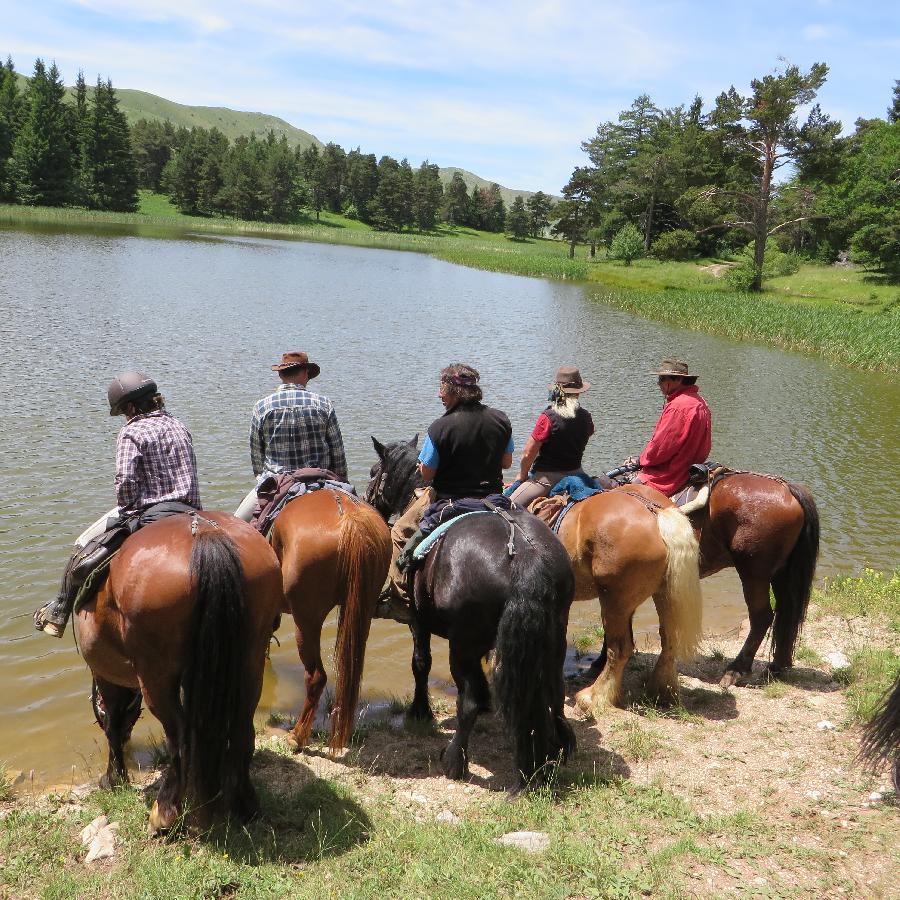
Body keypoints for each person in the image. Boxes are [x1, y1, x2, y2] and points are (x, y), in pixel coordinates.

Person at [34, 372, 201, 637]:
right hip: (190, 511)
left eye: (124, 410)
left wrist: (128, 511)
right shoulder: (178, 424)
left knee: (81, 548)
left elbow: (125, 480)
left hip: (149, 512)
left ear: (132, 407)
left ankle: (58, 613)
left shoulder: (131, 431)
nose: (125, 415)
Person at [376, 363, 514, 623]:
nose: (439, 395)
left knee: (398, 533)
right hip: (495, 499)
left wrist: (424, 464)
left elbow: (426, 475)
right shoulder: (501, 419)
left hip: (451, 500)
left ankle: (400, 601)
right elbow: (506, 463)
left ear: (453, 391)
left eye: (442, 389)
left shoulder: (439, 427)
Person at [235, 351, 348, 521]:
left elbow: (257, 458)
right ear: (305, 373)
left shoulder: (262, 407)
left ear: (280, 374)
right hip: (320, 482)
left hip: (277, 484)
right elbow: (337, 454)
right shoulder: (324, 404)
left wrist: (263, 480)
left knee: (235, 528)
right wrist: (342, 481)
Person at [616, 357, 711, 495]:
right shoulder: (700, 401)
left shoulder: (678, 406)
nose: (658, 384)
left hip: (670, 474)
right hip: (690, 467)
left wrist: (640, 460)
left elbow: (661, 447)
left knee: (617, 492)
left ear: (677, 380)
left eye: (661, 379)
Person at [508, 365, 595, 508]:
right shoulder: (586, 416)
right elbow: (589, 432)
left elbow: (528, 454)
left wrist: (522, 476)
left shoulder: (548, 417)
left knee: (507, 506)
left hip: (546, 479)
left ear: (557, 392)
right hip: (578, 473)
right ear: (578, 393)